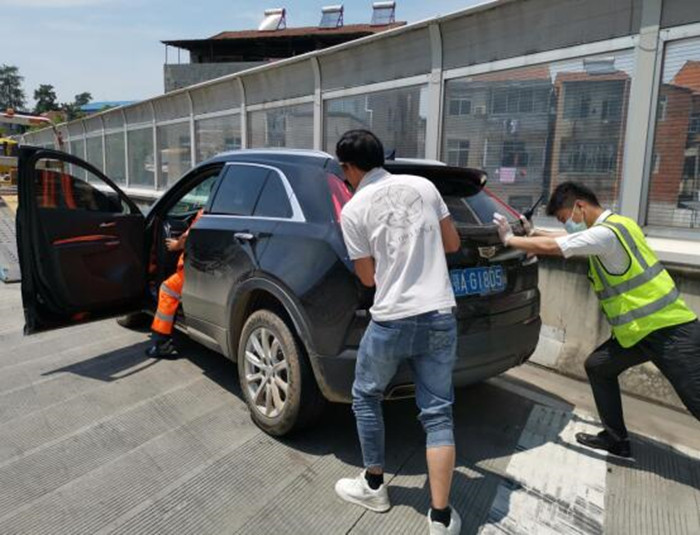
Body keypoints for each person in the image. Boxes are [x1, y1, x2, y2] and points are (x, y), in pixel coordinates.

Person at [493, 181, 700, 459]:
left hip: (670, 332)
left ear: (580, 206)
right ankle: (616, 440)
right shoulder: (620, 224)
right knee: (598, 366)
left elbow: (557, 245)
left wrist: (510, 239)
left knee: (696, 400)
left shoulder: (604, 235)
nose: (567, 225)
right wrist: (532, 232)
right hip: (638, 333)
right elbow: (569, 237)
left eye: (565, 218)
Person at [333, 130, 463, 535]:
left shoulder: (353, 210)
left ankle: (374, 486)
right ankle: (440, 518)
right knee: (438, 413)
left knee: (366, 396)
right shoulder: (424, 186)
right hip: (439, 312)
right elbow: (452, 243)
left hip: (391, 318)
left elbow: (368, 278)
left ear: (348, 168)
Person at [145, 208, 204, 359]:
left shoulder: (207, 212)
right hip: (212, 267)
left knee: (167, 290)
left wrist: (176, 245)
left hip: (195, 269)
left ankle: (162, 343)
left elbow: (190, 236)